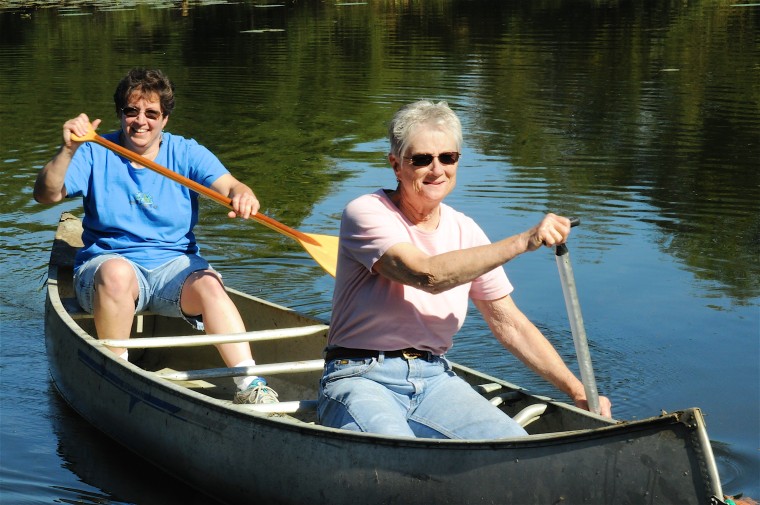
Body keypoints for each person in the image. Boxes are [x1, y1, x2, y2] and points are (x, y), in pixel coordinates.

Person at [318, 100, 612, 439]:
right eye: (422, 159)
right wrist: (524, 240)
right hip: (360, 376)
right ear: (396, 165)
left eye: (448, 157)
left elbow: (509, 324)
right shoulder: (366, 213)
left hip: (435, 378)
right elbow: (427, 275)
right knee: (395, 451)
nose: (437, 169)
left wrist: (577, 391)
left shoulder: (465, 230)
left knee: (513, 446)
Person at [34, 68, 277, 405]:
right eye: (131, 111)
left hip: (173, 268)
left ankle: (250, 383)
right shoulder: (94, 150)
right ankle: (117, 373)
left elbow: (231, 185)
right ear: (120, 114)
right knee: (117, 273)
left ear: (165, 118)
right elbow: (47, 194)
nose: (141, 121)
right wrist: (67, 150)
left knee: (209, 283)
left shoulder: (186, 152)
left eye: (152, 113)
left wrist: (243, 195)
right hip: (108, 268)